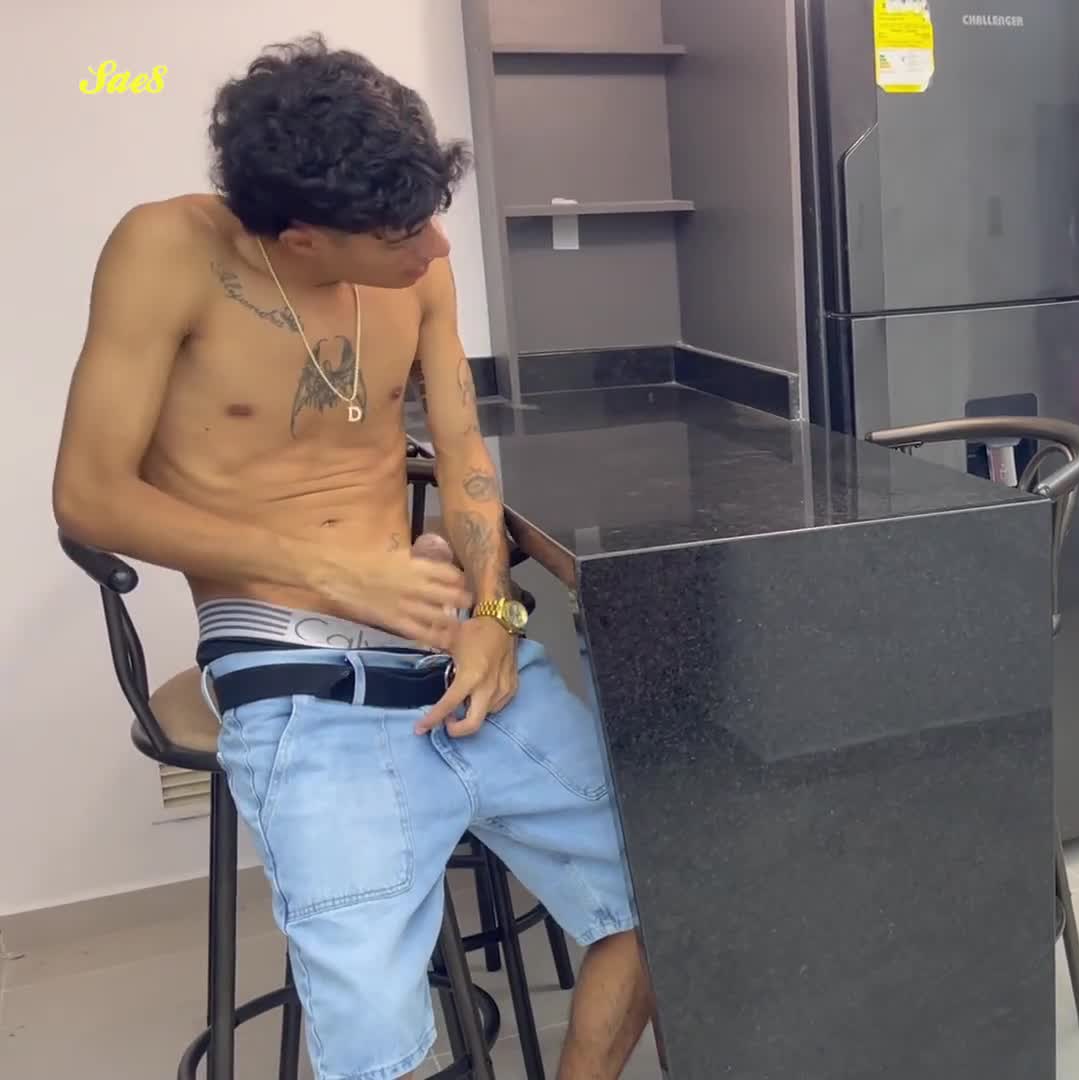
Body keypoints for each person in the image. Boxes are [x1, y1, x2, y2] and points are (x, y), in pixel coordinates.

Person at [52, 36, 658, 1080]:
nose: (434, 248)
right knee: (374, 1036)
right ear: (303, 238)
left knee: (670, 885)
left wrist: (494, 616)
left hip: (444, 634)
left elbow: (463, 452)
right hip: (287, 655)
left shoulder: (418, 261)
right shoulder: (165, 252)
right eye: (401, 234)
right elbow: (90, 495)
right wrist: (334, 572)